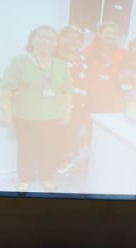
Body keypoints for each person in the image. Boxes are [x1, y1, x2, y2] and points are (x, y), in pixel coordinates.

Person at [0, 25, 73, 193]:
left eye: (52, 39)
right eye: (43, 37)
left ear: (56, 44)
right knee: (26, 149)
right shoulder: (19, 62)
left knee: (48, 149)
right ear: (33, 40)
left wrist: (67, 112)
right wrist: (6, 112)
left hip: (52, 117)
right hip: (25, 117)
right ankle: (25, 179)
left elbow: (68, 91)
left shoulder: (62, 65)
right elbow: (5, 88)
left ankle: (46, 177)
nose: (47, 42)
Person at [55, 24, 89, 175]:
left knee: (72, 135)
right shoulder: (53, 56)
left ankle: (67, 163)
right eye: (69, 37)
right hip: (60, 105)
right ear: (61, 38)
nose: (73, 41)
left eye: (77, 38)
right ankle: (57, 166)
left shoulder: (81, 56)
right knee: (58, 136)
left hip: (79, 104)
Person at [83, 21, 125, 115]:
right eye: (108, 33)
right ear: (99, 34)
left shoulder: (123, 53)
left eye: (114, 33)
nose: (111, 36)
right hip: (91, 96)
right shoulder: (88, 51)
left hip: (112, 97)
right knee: (90, 124)